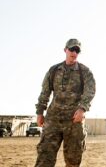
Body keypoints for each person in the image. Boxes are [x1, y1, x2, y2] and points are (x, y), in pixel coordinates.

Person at [35, 38, 96, 167]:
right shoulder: (54, 70)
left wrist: (82, 109)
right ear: (65, 50)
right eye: (72, 49)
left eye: (77, 50)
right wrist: (40, 112)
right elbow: (45, 92)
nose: (74, 52)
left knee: (73, 161)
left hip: (74, 121)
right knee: (44, 158)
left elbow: (90, 92)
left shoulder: (85, 72)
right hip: (53, 120)